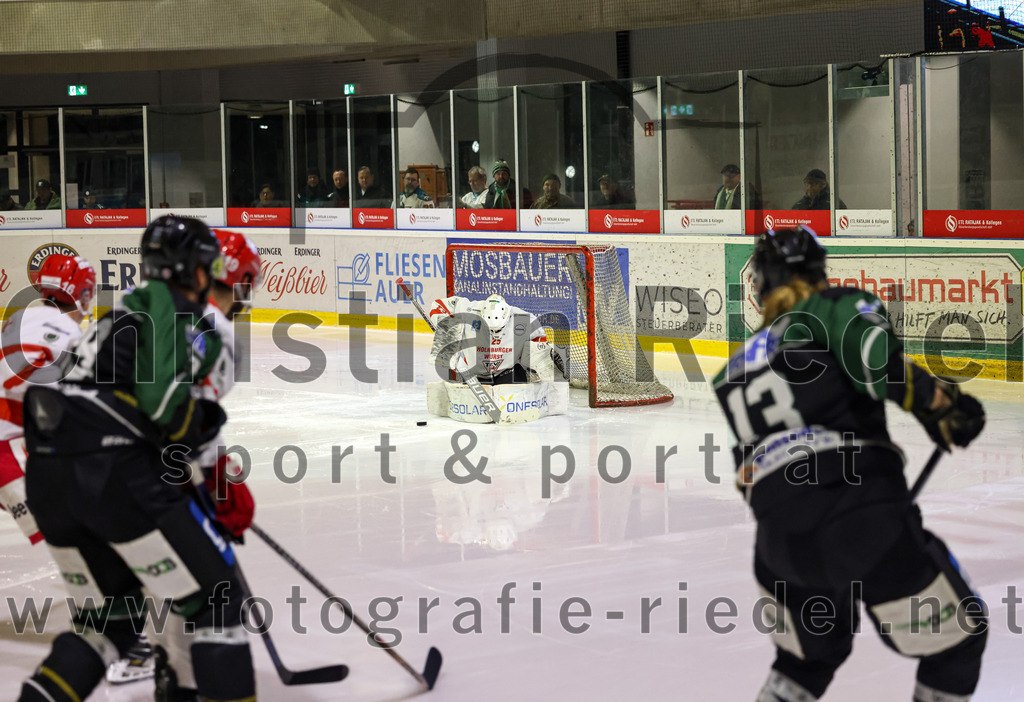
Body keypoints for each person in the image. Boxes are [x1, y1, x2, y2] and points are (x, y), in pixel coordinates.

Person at [713, 227, 987, 702]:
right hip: (862, 517)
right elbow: (878, 362)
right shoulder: (835, 306)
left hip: (780, 548)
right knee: (958, 639)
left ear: (758, 288)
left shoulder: (736, 368)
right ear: (819, 272)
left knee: (805, 662)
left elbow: (748, 474)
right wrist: (941, 405)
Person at [18, 216, 257, 702]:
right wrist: (221, 487)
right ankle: (179, 679)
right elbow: (167, 410)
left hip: (48, 475)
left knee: (107, 626)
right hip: (110, 475)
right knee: (218, 600)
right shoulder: (196, 320)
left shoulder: (120, 310)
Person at [0, 255, 95, 547]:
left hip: (14, 445)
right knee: (73, 534)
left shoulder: (22, 316)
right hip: (9, 450)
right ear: (82, 294)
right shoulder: (63, 332)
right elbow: (20, 380)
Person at [428, 293, 567, 385]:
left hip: (507, 374)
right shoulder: (469, 309)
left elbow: (540, 344)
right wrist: (447, 336)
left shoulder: (524, 319)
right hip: (472, 374)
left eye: (498, 330)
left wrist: (546, 361)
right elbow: (437, 306)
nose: (494, 334)